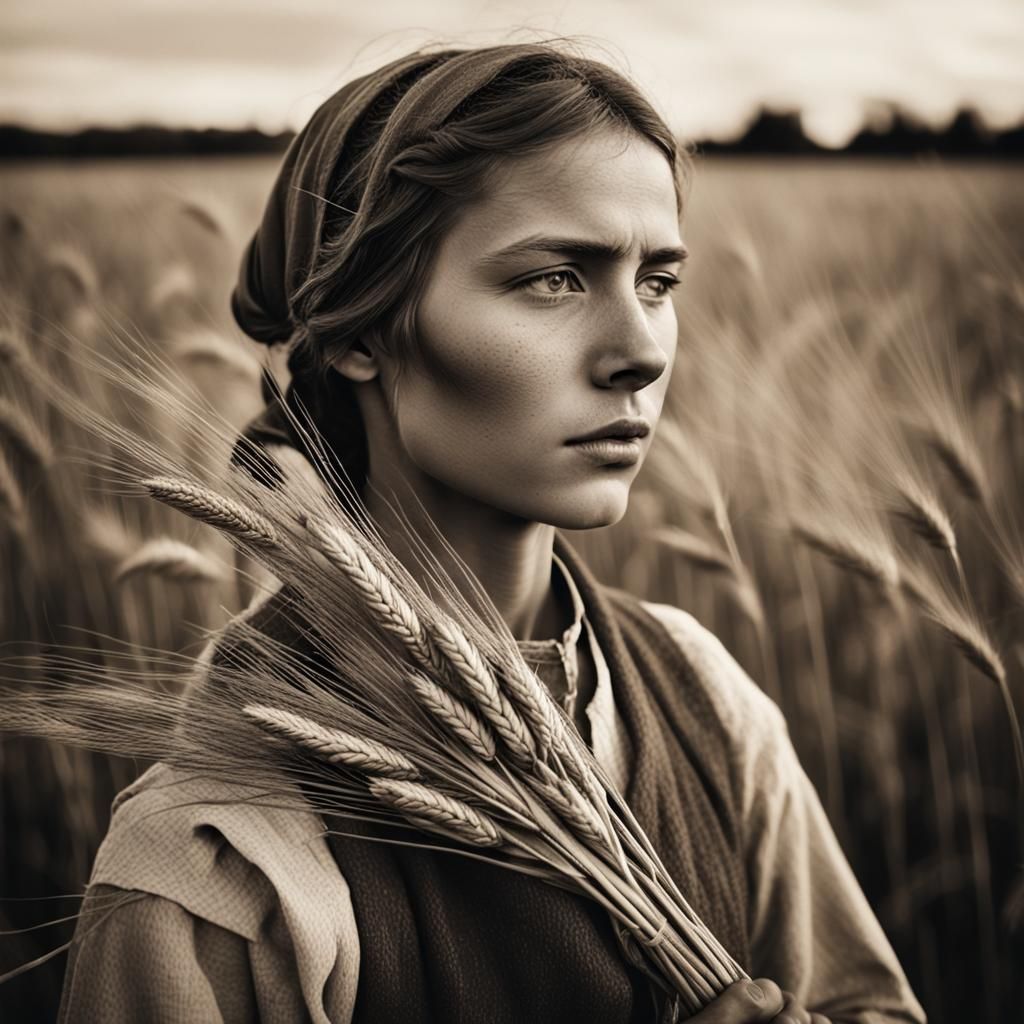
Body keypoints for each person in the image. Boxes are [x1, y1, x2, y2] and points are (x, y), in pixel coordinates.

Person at [57, 43, 926, 1023]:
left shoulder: (703, 698)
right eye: (553, 278)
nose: (640, 352)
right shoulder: (221, 855)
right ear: (357, 330)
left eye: (658, 281)